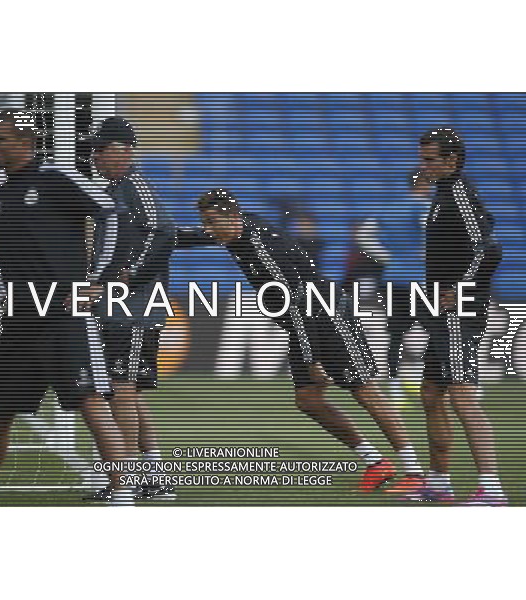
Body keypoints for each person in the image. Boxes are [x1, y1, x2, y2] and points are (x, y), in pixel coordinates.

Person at [197, 189, 423, 494]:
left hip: (327, 316)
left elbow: (299, 302)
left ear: (232, 216)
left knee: (365, 391)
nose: (208, 231)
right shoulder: (240, 227)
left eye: (212, 223)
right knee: (309, 399)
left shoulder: (264, 248)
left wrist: (313, 359)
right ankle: (376, 463)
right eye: (205, 223)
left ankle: (416, 474)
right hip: (304, 319)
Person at [0, 110, 135, 506]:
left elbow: (111, 214)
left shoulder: (57, 178)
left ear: (25, 142)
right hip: (20, 321)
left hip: (65, 315)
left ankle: (121, 492)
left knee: (91, 401)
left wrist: (102, 281)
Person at [82, 117, 210, 501]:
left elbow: (165, 234)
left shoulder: (133, 188)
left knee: (120, 390)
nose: (94, 156)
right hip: (121, 306)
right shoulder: (120, 189)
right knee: (128, 392)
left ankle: (125, 480)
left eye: (98, 149)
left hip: (133, 308)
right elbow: (169, 233)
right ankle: (153, 476)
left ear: (120, 151)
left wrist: (127, 277)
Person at [408, 128, 506, 505]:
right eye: (423, 158)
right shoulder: (444, 192)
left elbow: (489, 249)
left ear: (452, 161)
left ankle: (492, 492)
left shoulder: (459, 193)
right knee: (431, 394)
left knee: (462, 396)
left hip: (457, 310)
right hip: (440, 308)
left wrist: (462, 290)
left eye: (431, 159)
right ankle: (440, 483)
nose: (424, 165)